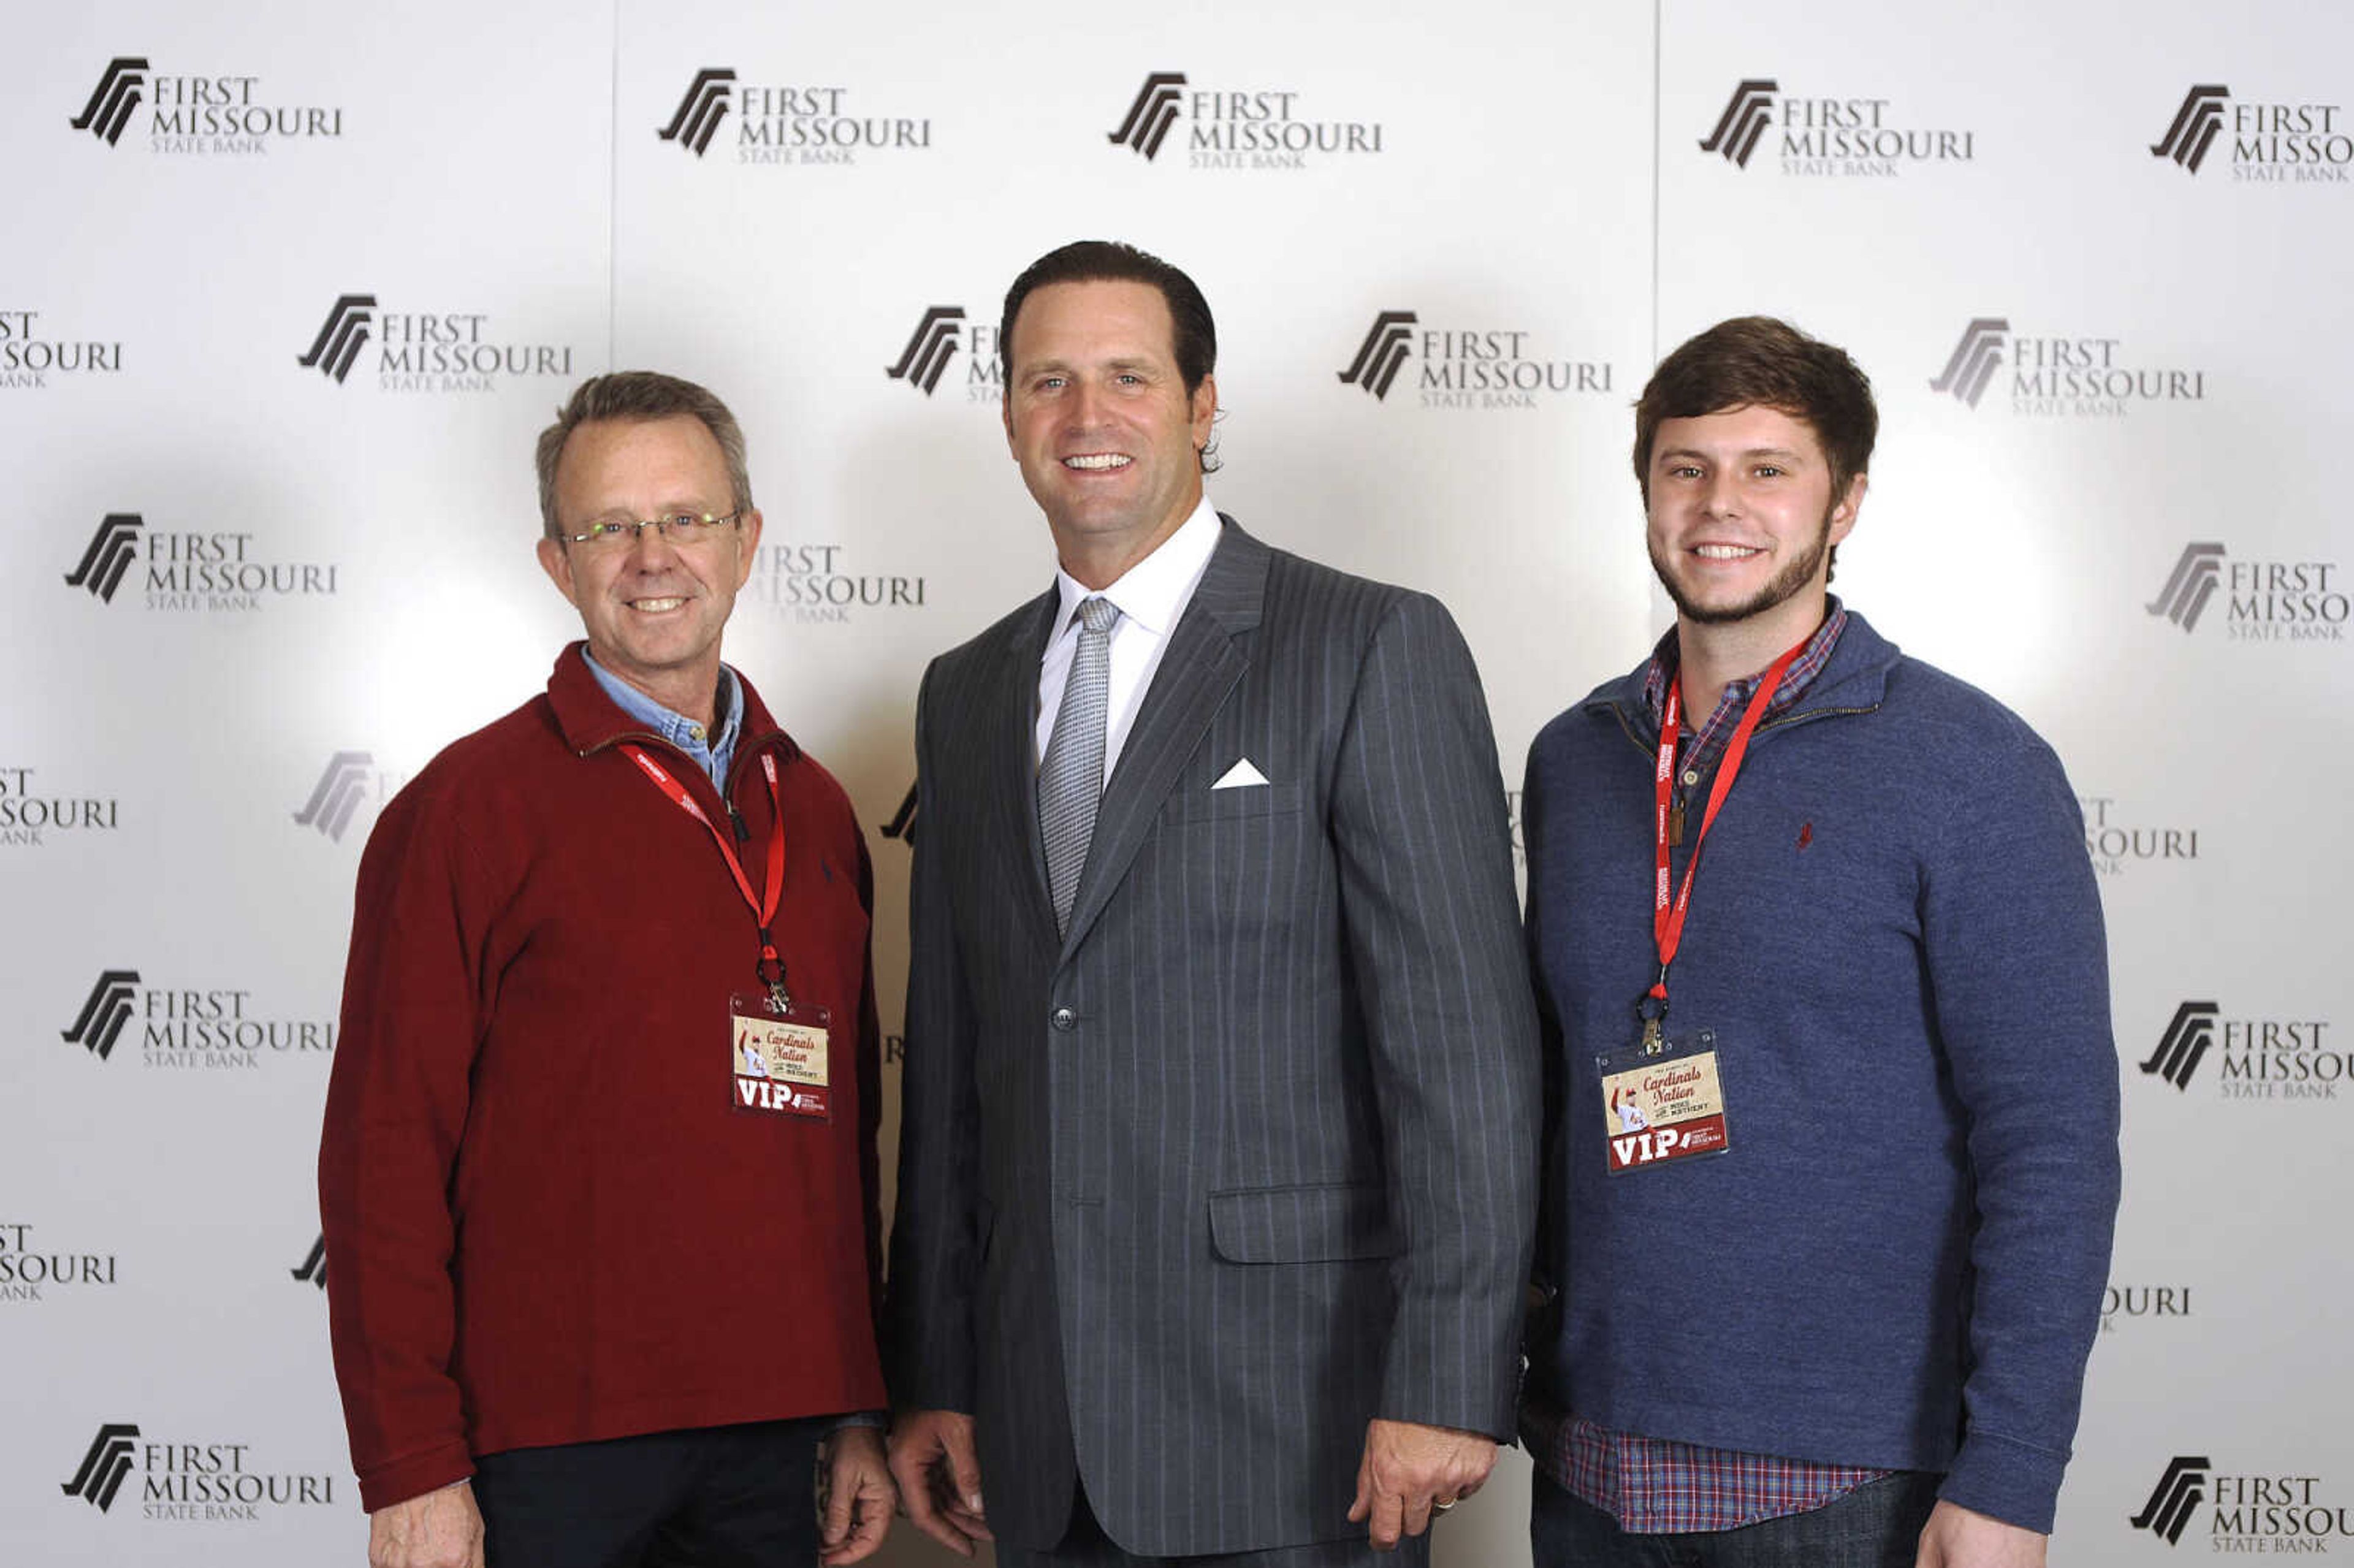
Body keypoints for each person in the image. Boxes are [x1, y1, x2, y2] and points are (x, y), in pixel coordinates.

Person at [882, 240, 1539, 1567]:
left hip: (1296, 1432)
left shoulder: (1364, 646)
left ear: (1203, 402)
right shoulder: (964, 691)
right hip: (1035, 1430)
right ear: (1008, 414)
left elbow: (1462, 1052)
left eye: (1129, 375)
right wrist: (938, 1367)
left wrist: (1449, 1375)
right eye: (1046, 381)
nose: (1087, 417)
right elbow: (956, 1067)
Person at [1518, 316, 2120, 1567]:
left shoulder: (1972, 767)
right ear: (1646, 489)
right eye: (1686, 467)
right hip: (1590, 1459)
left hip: (1845, 1481)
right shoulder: (1573, 760)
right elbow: (1535, 1098)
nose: (1719, 503)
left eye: (1767, 468)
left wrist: (2010, 1474)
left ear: (1845, 502)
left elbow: (2051, 1147)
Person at [319, 371, 893, 1568]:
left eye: (685, 517)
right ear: (555, 560)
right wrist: (412, 1464)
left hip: (777, 1437)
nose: (652, 556)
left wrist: (852, 1403)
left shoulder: (821, 809)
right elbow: (385, 1151)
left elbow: (842, 1144)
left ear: (746, 541)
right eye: (609, 526)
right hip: (548, 1452)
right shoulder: (465, 811)